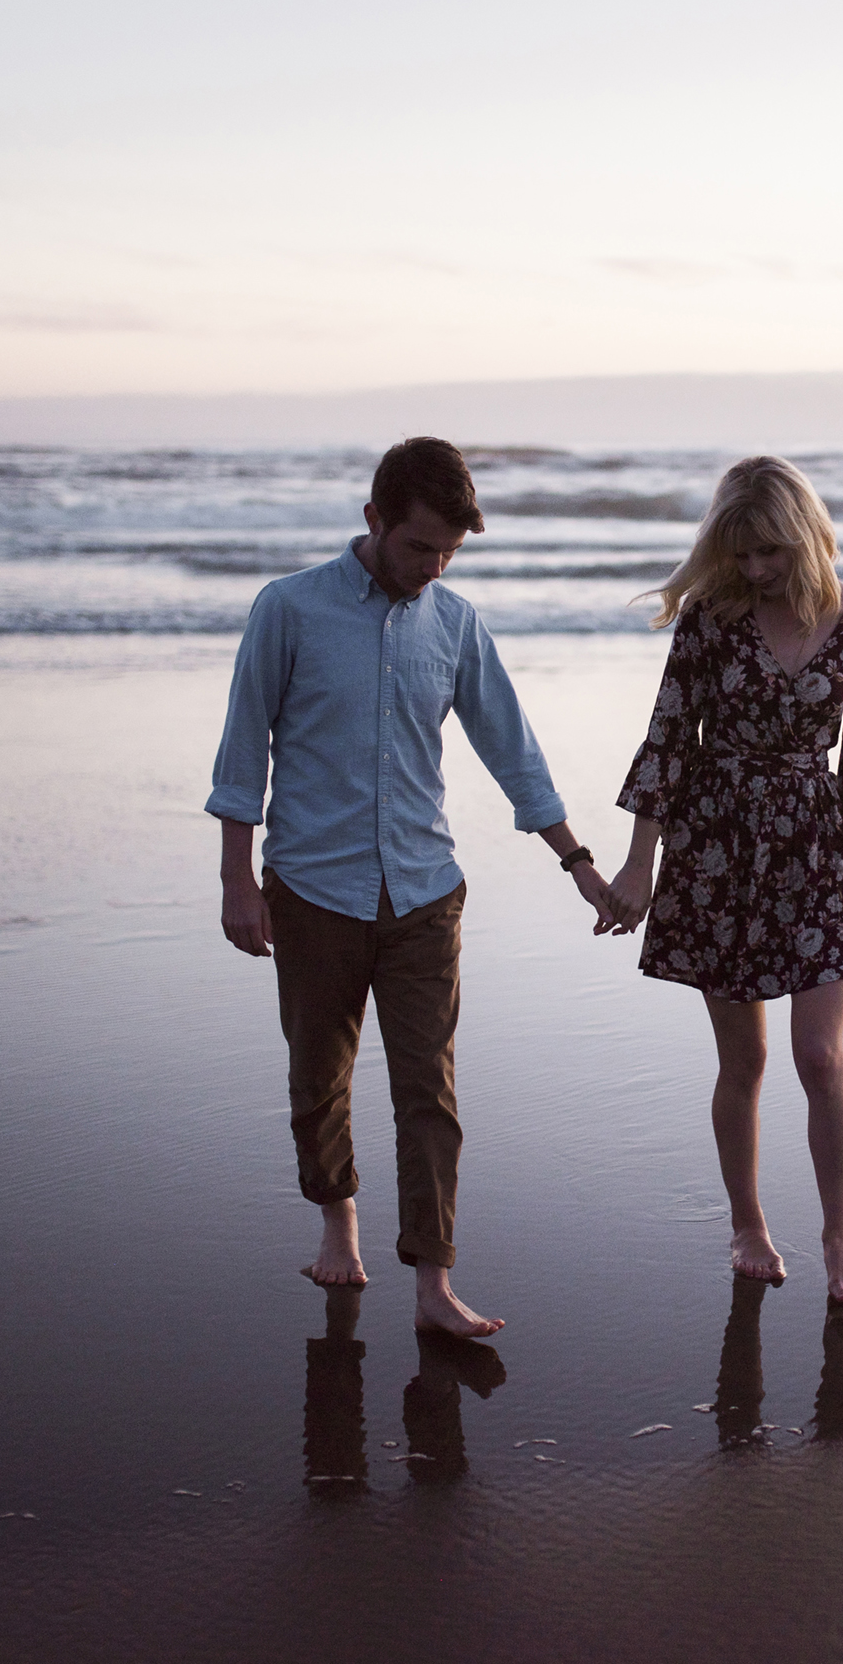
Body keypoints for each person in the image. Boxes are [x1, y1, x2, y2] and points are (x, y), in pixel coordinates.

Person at [209, 436, 624, 1338]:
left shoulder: (457, 622)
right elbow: (244, 751)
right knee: (317, 1077)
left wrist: (580, 865)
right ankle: (338, 1220)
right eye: (417, 547)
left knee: (428, 1089)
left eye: (448, 553)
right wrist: (238, 879)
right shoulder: (288, 610)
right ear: (374, 521)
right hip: (313, 890)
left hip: (425, 894)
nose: (431, 566)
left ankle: (433, 1283)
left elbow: (513, 751)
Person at [607, 456, 843, 1303]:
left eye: (770, 552)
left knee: (819, 1054)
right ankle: (747, 1221)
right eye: (740, 554)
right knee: (745, 1058)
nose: (757, 570)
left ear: (807, 539)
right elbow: (669, 740)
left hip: (817, 849)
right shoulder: (710, 621)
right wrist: (639, 861)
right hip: (717, 850)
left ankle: (837, 1235)